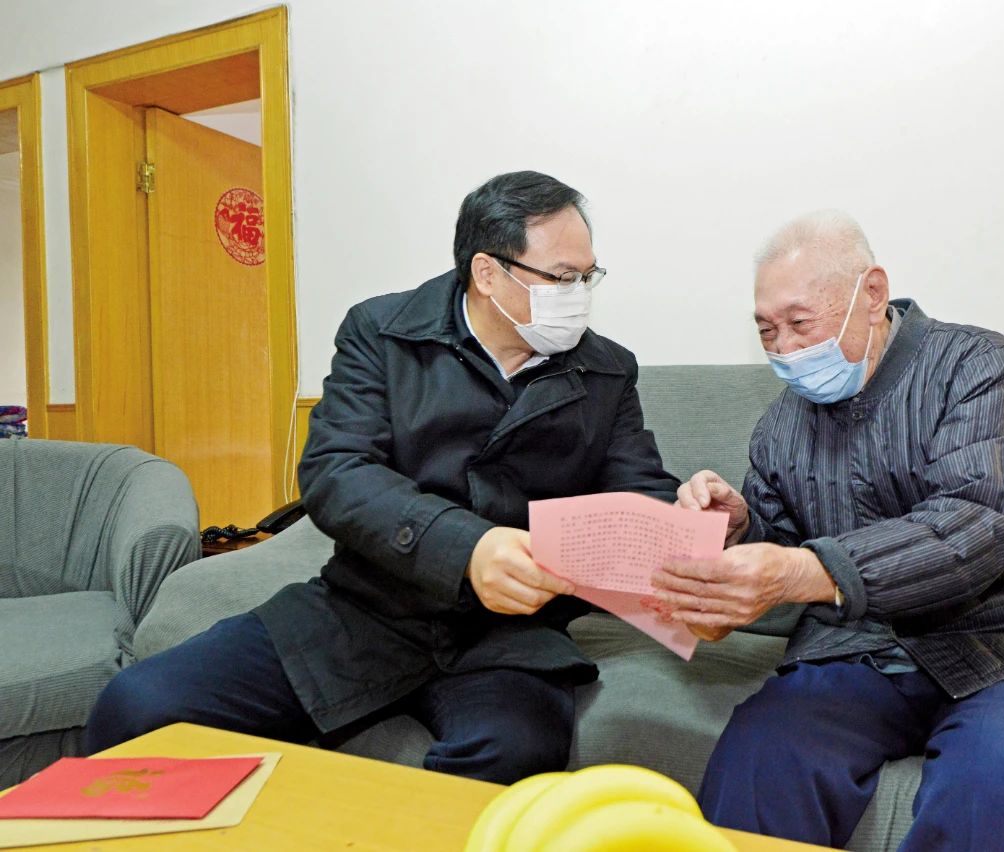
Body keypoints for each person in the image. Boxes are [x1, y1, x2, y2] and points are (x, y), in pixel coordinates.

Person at [85, 171, 679, 783]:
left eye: (588, 277)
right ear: (487, 273)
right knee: (139, 705)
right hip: (368, 608)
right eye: (562, 277)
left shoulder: (608, 371)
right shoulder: (382, 332)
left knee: (514, 753)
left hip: (509, 635)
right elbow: (336, 472)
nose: (578, 294)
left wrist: (699, 517)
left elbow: (639, 497)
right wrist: (467, 548)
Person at [648, 211, 1004, 850]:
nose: (784, 350)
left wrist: (808, 570)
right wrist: (739, 529)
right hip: (862, 650)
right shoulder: (779, 428)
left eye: (800, 324)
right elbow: (785, 554)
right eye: (766, 331)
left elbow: (979, 519)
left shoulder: (978, 365)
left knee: (1001, 788)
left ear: (871, 294)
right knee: (760, 760)